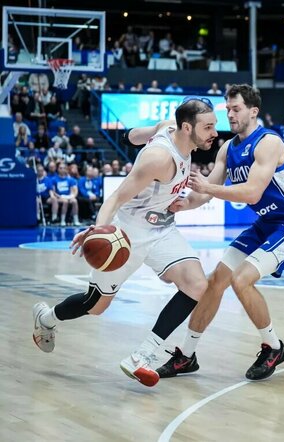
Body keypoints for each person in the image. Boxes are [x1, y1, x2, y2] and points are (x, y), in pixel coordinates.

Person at [31, 98, 218, 387]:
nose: (215, 132)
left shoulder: (170, 128)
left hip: (162, 230)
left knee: (196, 284)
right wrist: (98, 230)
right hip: (128, 232)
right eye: (208, 127)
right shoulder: (158, 158)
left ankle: (142, 356)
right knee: (95, 306)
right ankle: (47, 319)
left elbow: (131, 135)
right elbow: (117, 197)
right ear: (186, 127)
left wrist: (135, 137)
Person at [155, 84, 284, 382]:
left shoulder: (268, 142)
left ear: (253, 111)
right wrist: (185, 203)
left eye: (236, 109)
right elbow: (207, 193)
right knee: (215, 280)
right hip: (265, 225)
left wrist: (207, 187)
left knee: (242, 280)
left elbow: (253, 193)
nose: (229, 114)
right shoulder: (228, 148)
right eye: (227, 109)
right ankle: (187, 354)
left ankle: (273, 346)